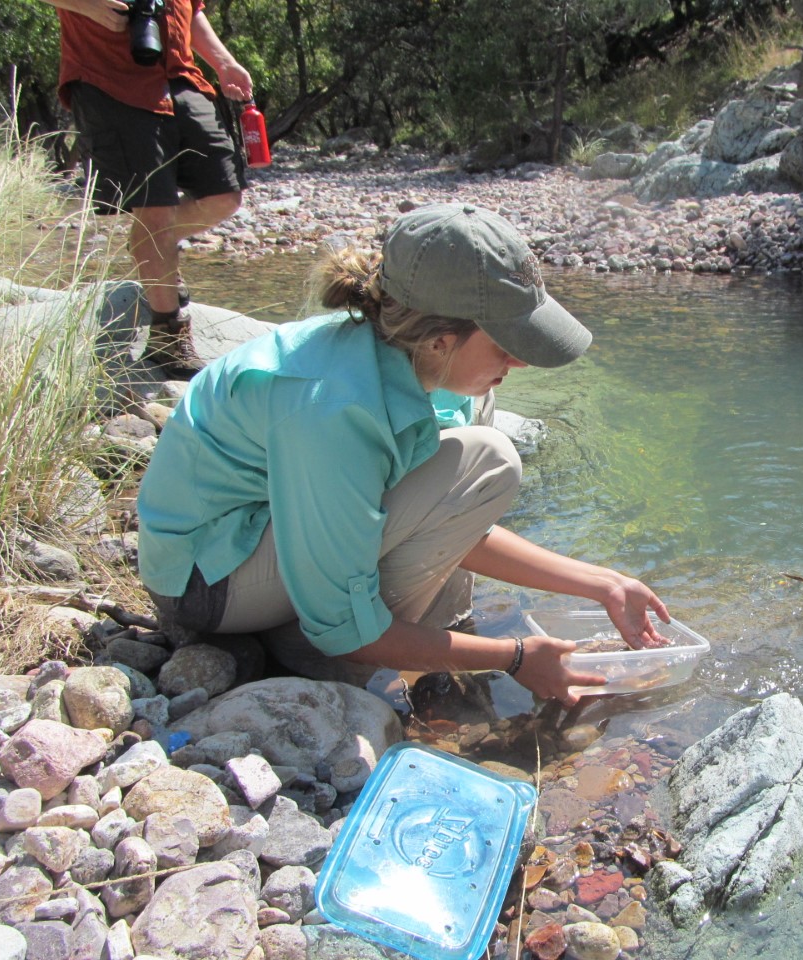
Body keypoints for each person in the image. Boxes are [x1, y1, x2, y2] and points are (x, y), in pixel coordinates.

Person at [136, 202, 670, 706]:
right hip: (208, 582)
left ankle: (399, 640)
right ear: (440, 339)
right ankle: (312, 656)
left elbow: (450, 522)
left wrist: (604, 584)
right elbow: (356, 614)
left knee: (477, 447)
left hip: (270, 541)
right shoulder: (332, 409)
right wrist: (514, 658)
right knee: (489, 459)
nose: (521, 362)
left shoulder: (434, 367)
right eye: (506, 344)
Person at [39, 0, 253, 377]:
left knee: (224, 195)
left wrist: (223, 63)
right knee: (153, 208)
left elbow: (192, 9)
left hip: (182, 79)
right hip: (110, 81)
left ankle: (150, 248)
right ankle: (167, 336)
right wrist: (88, 6)